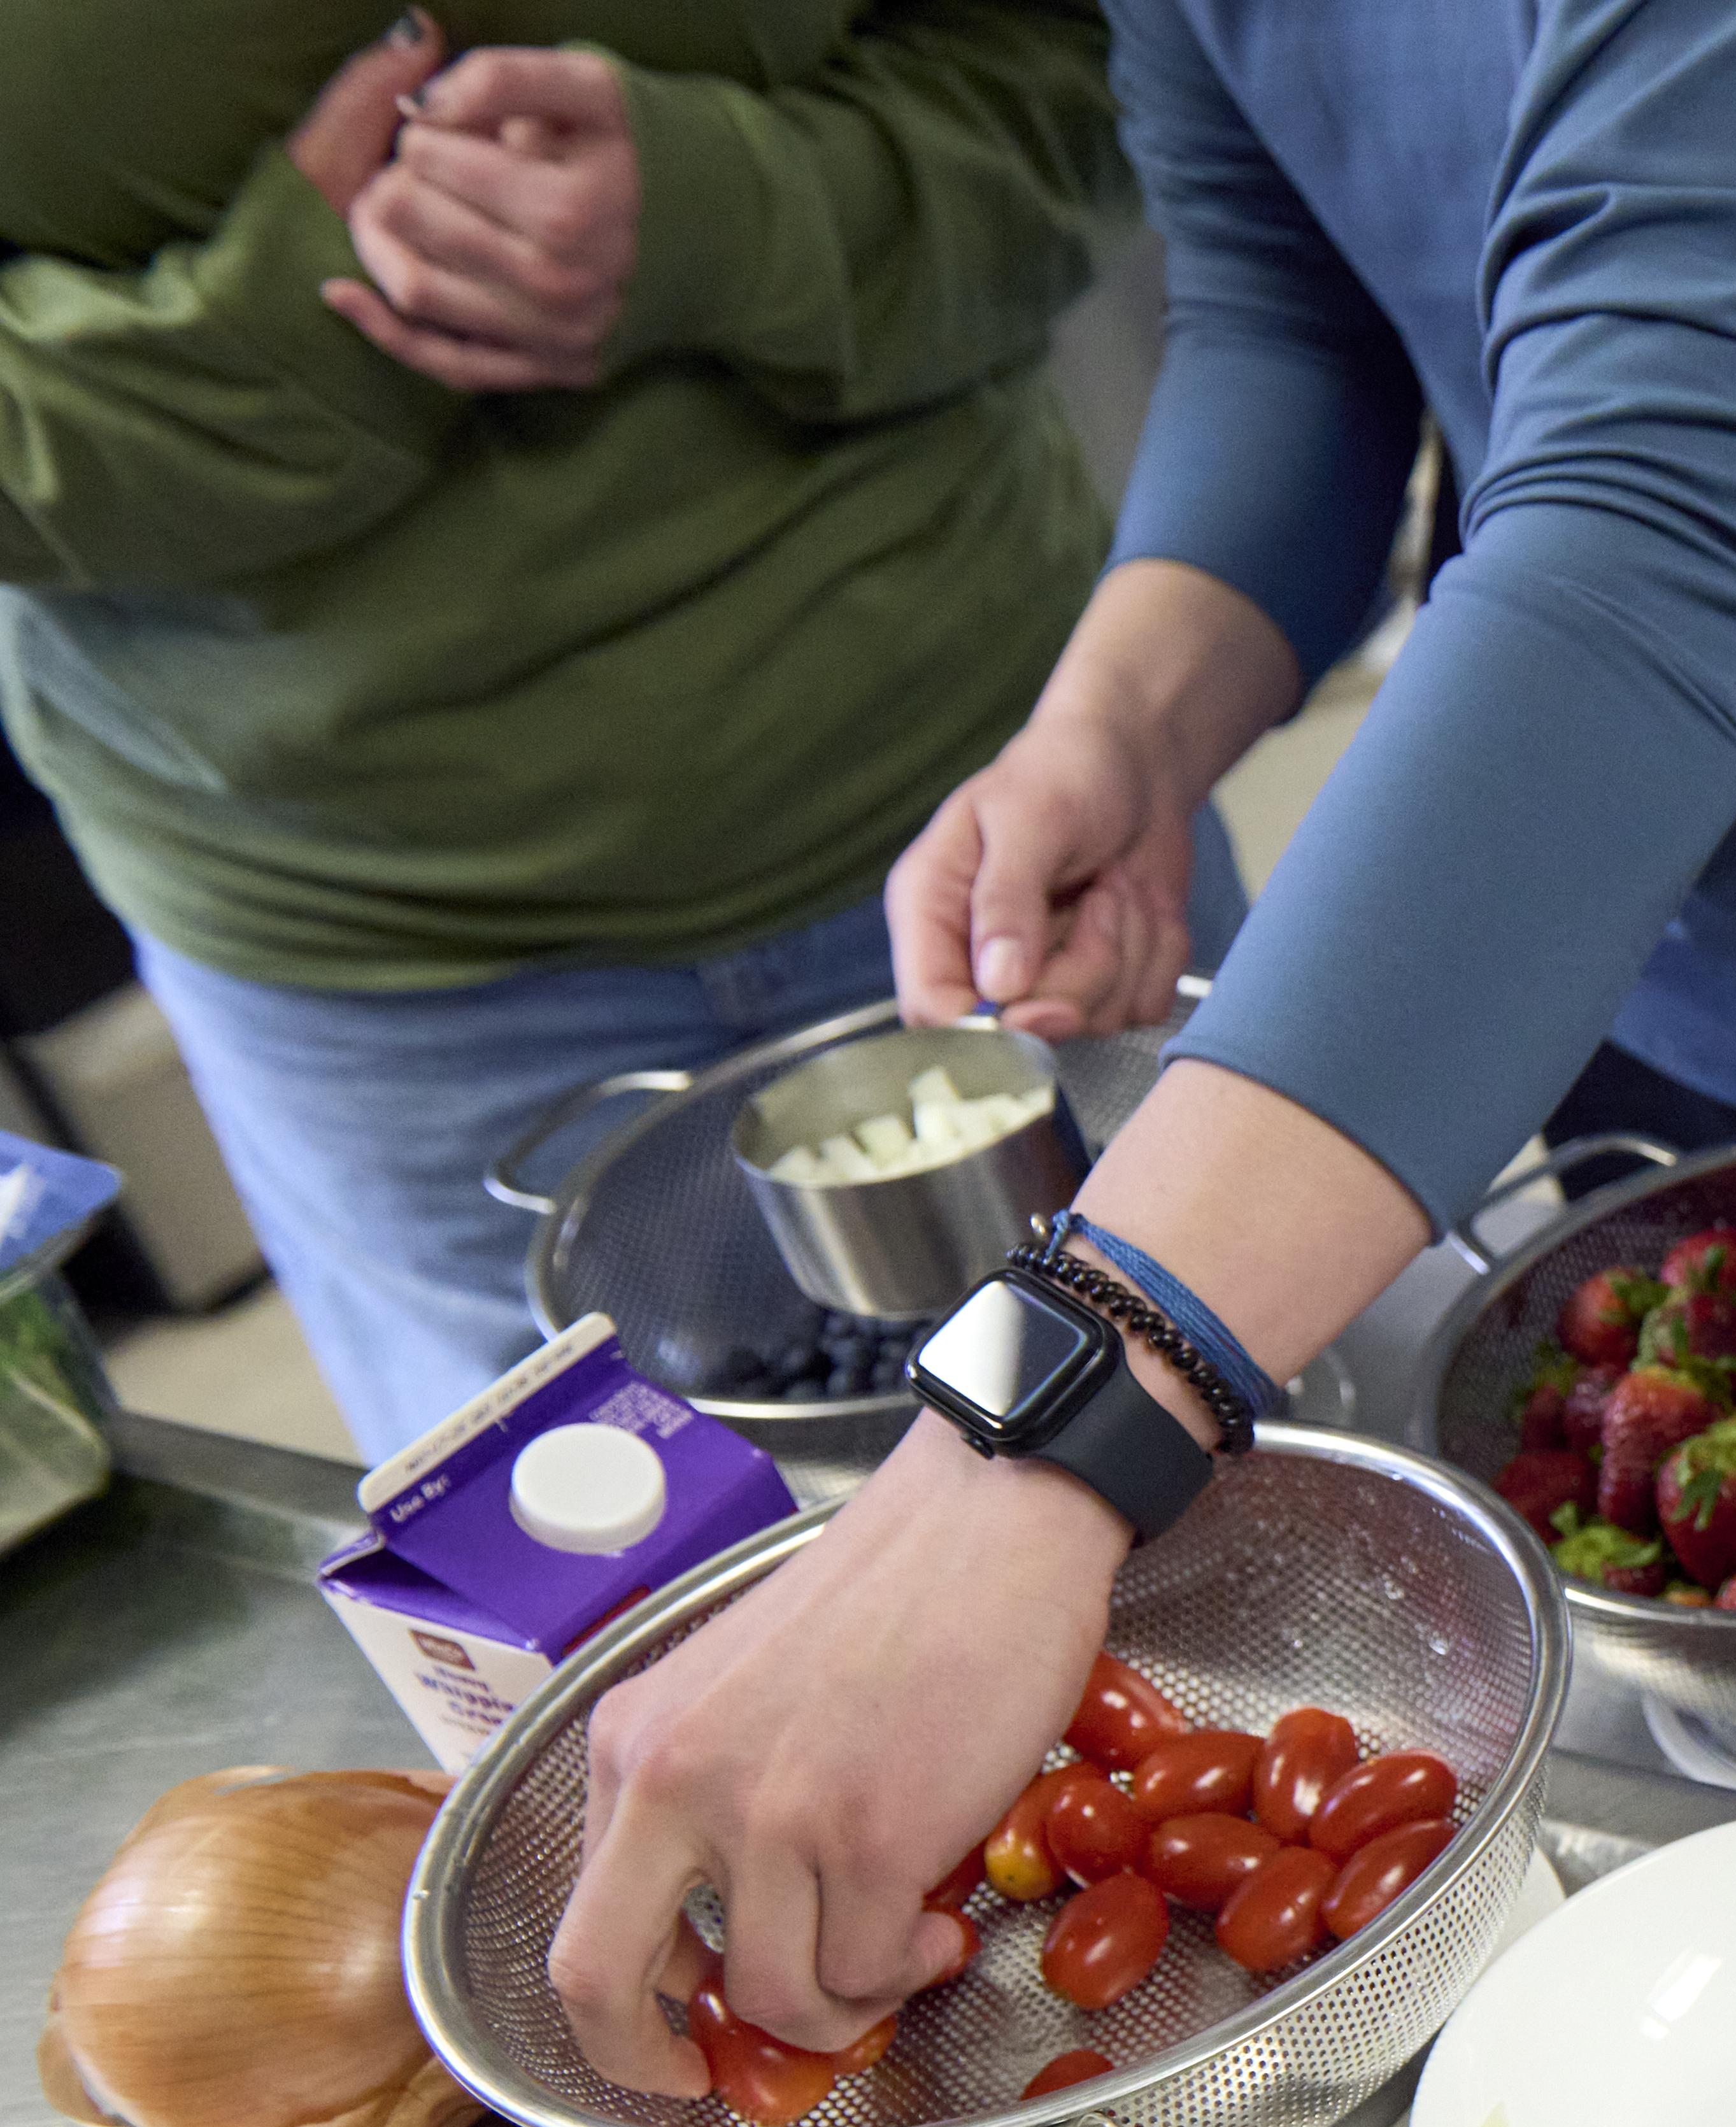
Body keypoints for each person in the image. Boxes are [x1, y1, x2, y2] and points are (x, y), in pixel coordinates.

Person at [543, 0, 1736, 2098]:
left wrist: (1027, 1442)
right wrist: (1125, 716)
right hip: (1593, 930)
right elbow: (1302, 311)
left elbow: (1665, 501)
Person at [0, 1, 1151, 1453]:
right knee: (629, 1623)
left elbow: (1094, 76)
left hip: (1015, 803)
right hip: (386, 975)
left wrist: (742, 217)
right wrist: (281, 351)